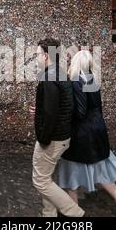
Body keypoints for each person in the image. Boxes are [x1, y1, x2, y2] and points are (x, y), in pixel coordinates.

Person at [56, 50, 116, 217]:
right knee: (100, 170)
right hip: (97, 131)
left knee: (71, 176)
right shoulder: (92, 80)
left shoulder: (76, 81)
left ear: (75, 63)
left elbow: (81, 112)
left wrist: (63, 115)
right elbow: (97, 108)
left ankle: (74, 214)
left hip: (81, 135)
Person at [30, 38, 85, 217]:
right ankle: (49, 215)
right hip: (62, 136)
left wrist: (43, 139)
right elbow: (62, 106)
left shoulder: (49, 77)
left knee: (40, 181)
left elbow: (51, 114)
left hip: (53, 138)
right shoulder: (60, 73)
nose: (36, 58)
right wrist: (39, 110)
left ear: (46, 56)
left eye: (37, 54)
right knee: (47, 178)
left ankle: (76, 213)